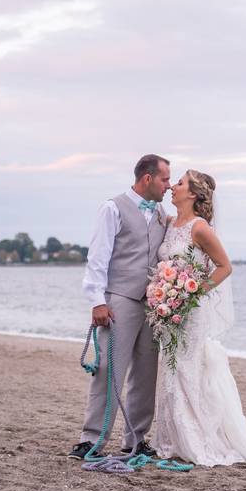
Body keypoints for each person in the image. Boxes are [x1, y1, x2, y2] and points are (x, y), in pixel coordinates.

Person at [153, 170, 246, 466]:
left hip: (189, 311)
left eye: (180, 183)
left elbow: (224, 267)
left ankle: (195, 439)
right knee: (170, 372)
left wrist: (192, 294)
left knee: (186, 371)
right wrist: (165, 294)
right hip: (169, 309)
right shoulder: (171, 224)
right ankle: (171, 440)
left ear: (194, 194)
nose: (173, 186)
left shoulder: (200, 229)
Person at [68, 154, 171, 460]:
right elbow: (98, 257)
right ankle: (92, 439)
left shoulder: (162, 212)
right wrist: (97, 301)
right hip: (119, 300)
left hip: (152, 305)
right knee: (109, 370)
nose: (168, 184)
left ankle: (136, 439)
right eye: (165, 179)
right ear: (148, 178)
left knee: (145, 374)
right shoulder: (112, 208)